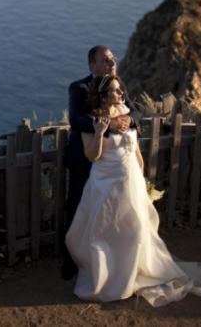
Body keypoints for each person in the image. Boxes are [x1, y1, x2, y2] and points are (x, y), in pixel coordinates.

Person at [64, 74, 201, 306]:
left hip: (130, 181)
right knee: (106, 232)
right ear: (102, 97)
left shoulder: (126, 115)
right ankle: (110, 280)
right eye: (115, 91)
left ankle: (132, 273)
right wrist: (100, 132)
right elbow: (92, 155)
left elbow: (135, 150)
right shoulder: (91, 120)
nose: (121, 94)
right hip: (105, 184)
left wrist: (142, 180)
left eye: (121, 90)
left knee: (135, 229)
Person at [60, 45, 140, 281]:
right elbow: (76, 120)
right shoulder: (79, 88)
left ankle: (106, 260)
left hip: (113, 164)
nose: (111, 62)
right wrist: (107, 124)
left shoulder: (118, 85)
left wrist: (126, 120)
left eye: (112, 59)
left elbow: (136, 113)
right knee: (77, 208)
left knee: (108, 214)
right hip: (84, 160)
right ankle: (70, 261)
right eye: (105, 60)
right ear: (92, 65)